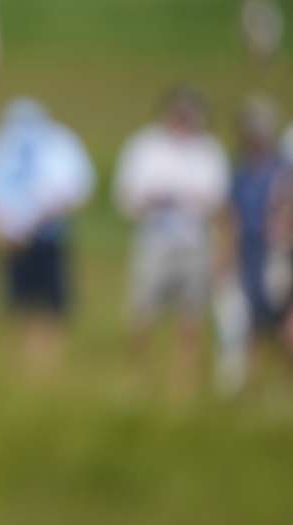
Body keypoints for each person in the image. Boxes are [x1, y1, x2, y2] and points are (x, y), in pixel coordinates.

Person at [114, 87, 230, 392]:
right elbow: (127, 199)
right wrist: (157, 199)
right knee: (142, 312)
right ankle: (135, 379)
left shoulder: (209, 151)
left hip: (194, 243)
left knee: (190, 316)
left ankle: (183, 384)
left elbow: (218, 202)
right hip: (154, 241)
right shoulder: (144, 147)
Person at [0, 98, 95, 373]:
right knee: (18, 305)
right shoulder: (0, 145)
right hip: (12, 238)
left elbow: (77, 189)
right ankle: (19, 367)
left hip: (49, 235)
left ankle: (47, 367)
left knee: (51, 305)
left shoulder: (56, 143)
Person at [221, 94, 293, 391]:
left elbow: (285, 211)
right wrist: (225, 254)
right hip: (249, 252)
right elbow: (231, 215)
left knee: (284, 321)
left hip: (278, 253)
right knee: (249, 321)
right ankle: (250, 385)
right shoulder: (240, 172)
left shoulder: (281, 171)